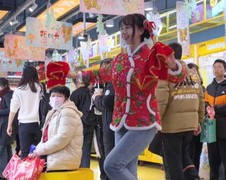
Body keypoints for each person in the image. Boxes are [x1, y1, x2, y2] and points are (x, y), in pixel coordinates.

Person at [76, 13, 186, 180]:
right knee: (127, 169)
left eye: (127, 27)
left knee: (111, 165)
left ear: (141, 29)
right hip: (120, 122)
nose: (123, 31)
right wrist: (73, 75)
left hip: (144, 122)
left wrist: (173, 65)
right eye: (121, 28)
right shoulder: (120, 59)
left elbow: (178, 77)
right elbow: (100, 74)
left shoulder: (152, 56)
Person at [157, 43, 204, 180]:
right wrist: (199, 120)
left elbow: (161, 101)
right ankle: (193, 177)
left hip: (172, 126)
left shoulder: (165, 73)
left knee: (173, 162)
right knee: (185, 156)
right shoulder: (193, 73)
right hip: (190, 125)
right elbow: (200, 98)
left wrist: (156, 122)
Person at [30, 86, 83, 171]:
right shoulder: (52, 113)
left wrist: (39, 150)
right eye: (53, 95)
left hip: (64, 159)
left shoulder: (68, 112)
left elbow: (62, 138)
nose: (55, 98)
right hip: (54, 156)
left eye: (59, 96)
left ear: (66, 98)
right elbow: (45, 138)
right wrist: (36, 151)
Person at [204, 59, 226, 180]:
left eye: (219, 67)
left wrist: (216, 108)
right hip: (210, 127)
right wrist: (207, 108)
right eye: (214, 67)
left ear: (225, 69)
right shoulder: (209, 87)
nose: (216, 69)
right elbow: (205, 104)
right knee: (213, 162)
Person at [7, 66, 42, 159]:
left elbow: (13, 109)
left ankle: (26, 173)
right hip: (40, 124)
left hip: (24, 125)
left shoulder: (19, 90)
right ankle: (41, 172)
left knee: (25, 153)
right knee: (41, 152)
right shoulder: (41, 88)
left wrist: (9, 125)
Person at [92, 58, 115, 180]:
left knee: (110, 157)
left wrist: (97, 99)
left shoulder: (112, 85)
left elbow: (106, 103)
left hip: (111, 127)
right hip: (107, 125)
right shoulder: (106, 85)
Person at [0, 78, 17, 173]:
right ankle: (8, 171)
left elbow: (11, 110)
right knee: (7, 147)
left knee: (1, 149)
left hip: (4, 126)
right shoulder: (5, 95)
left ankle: (1, 173)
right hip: (4, 126)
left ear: (4, 86)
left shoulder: (8, 95)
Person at [187, 63, 206, 173]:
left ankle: (195, 175)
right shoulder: (183, 87)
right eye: (190, 71)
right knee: (188, 153)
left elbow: (204, 105)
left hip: (199, 124)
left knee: (197, 153)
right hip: (187, 125)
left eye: (194, 71)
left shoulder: (202, 88)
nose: (192, 73)